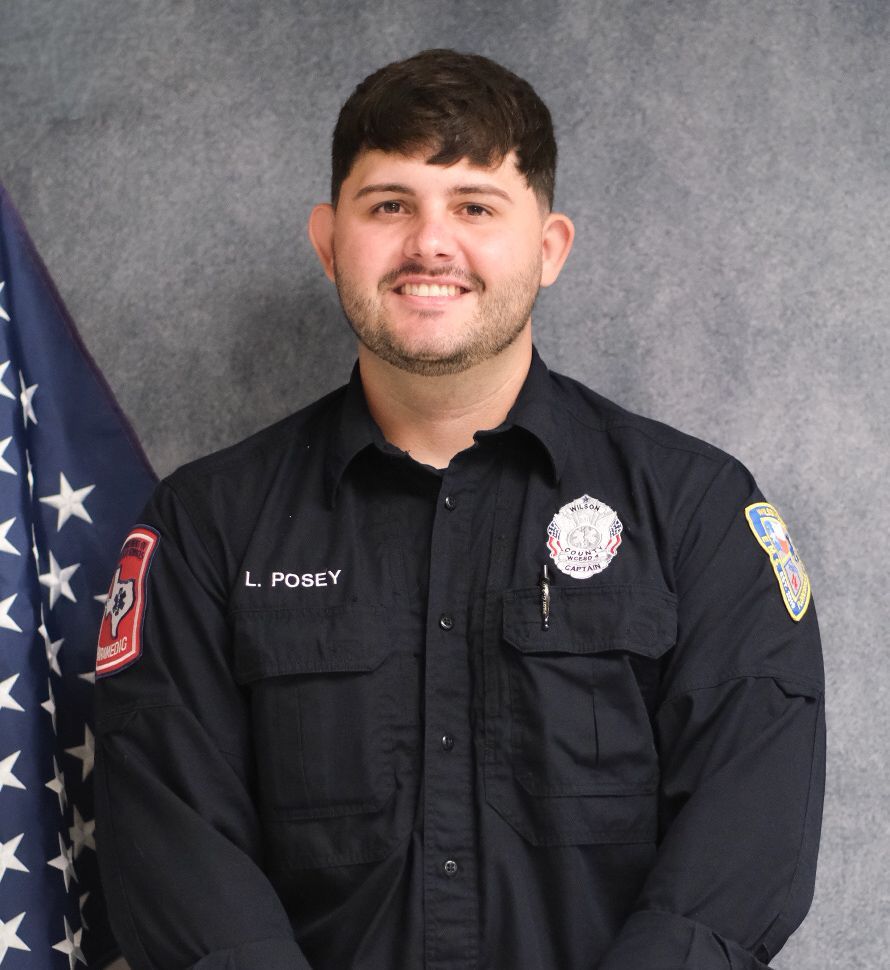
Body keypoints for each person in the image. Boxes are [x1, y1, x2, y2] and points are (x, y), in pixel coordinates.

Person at [94, 48, 825, 970]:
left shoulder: (698, 509)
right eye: (390, 204)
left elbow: (745, 830)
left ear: (549, 247)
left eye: (475, 206)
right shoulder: (205, 526)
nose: (430, 244)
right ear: (328, 240)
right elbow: (176, 844)